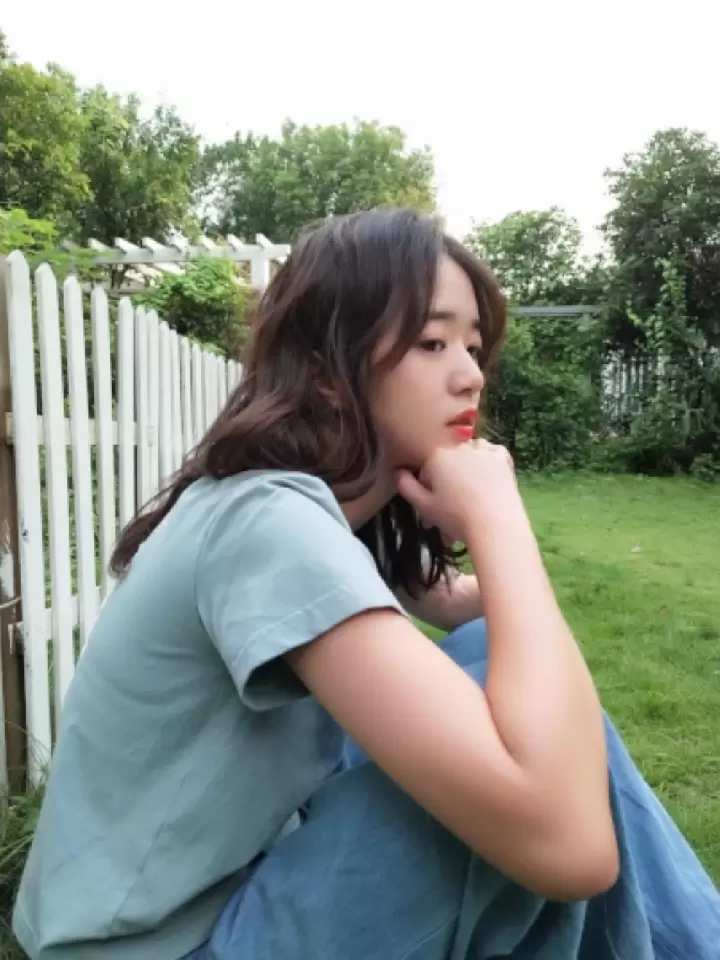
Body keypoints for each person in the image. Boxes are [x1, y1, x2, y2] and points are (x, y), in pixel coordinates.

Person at [13, 210, 719, 960]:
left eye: (473, 346)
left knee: (515, 689)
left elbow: (499, 636)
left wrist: (499, 574)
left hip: (213, 899)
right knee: (534, 795)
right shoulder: (269, 525)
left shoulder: (303, 511)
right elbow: (571, 847)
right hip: (159, 948)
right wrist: (498, 521)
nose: (472, 374)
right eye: (432, 343)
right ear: (328, 372)